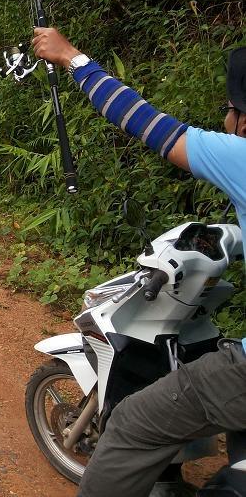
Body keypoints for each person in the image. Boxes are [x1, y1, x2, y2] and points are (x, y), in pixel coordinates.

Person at [32, 26, 246, 497]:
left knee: (130, 424)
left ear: (242, 120)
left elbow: (146, 123)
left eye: (228, 111)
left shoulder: (242, 156)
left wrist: (73, 58)